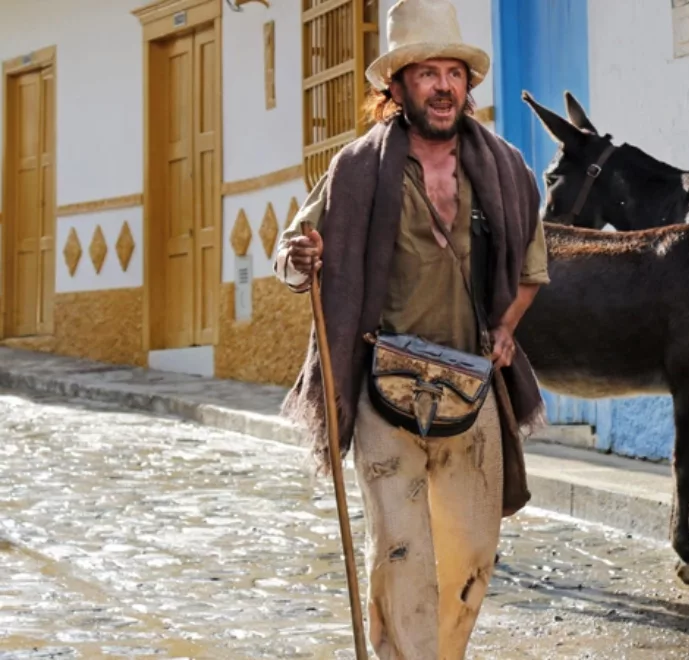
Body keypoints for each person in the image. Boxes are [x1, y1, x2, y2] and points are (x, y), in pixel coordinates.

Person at [274, 0, 549, 657]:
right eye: (426, 72)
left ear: (468, 85)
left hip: (472, 385)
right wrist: (298, 258)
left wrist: (506, 327)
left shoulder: (506, 170)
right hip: (382, 388)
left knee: (472, 557)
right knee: (400, 551)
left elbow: (532, 270)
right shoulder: (358, 169)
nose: (443, 86)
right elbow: (293, 250)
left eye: (452, 71)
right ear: (395, 88)